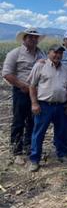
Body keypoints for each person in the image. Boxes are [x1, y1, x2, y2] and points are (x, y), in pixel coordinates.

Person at [2, 28, 46, 164]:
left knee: (33, 121)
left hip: (38, 93)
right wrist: (23, 86)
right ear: (24, 39)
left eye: (35, 37)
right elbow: (7, 74)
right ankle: (16, 151)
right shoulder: (15, 53)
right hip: (21, 92)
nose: (33, 39)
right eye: (30, 37)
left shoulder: (41, 53)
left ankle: (29, 147)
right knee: (19, 121)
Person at [28, 44, 67, 172]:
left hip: (60, 106)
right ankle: (34, 160)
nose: (57, 55)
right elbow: (32, 86)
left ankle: (62, 154)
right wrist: (34, 103)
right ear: (49, 53)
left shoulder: (65, 69)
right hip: (44, 105)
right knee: (39, 133)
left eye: (60, 53)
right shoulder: (40, 66)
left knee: (61, 131)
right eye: (55, 52)